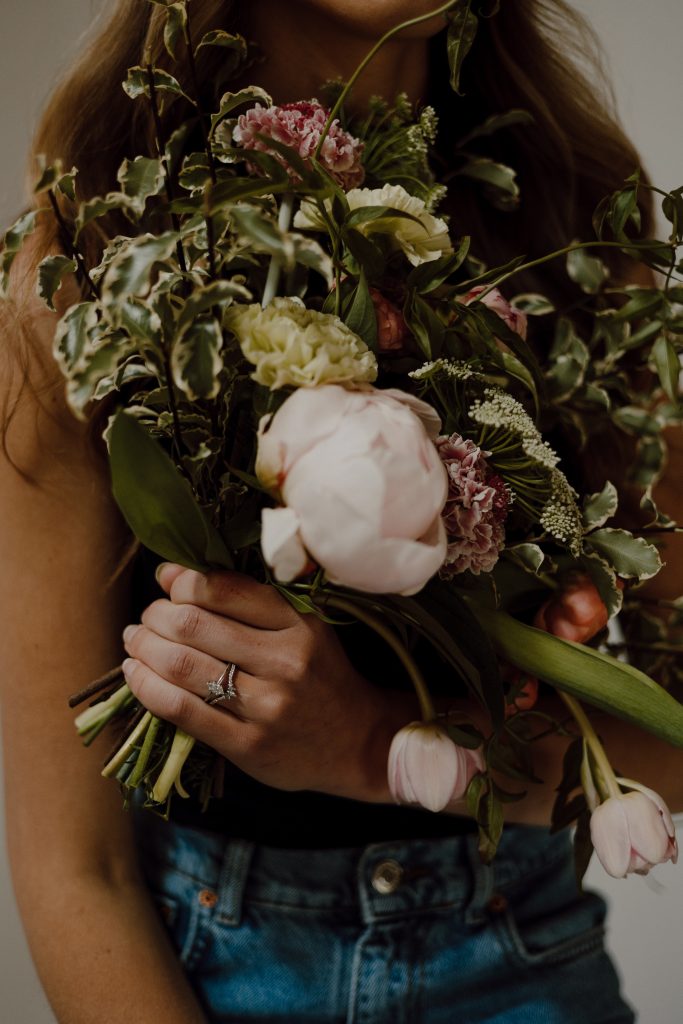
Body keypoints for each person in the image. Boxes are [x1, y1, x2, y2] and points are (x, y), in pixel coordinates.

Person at [1, 1, 682, 1021]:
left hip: (520, 957)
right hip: (200, 969)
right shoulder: (91, 254)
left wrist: (380, 748)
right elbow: (74, 870)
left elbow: (670, 742)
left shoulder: (575, 227)